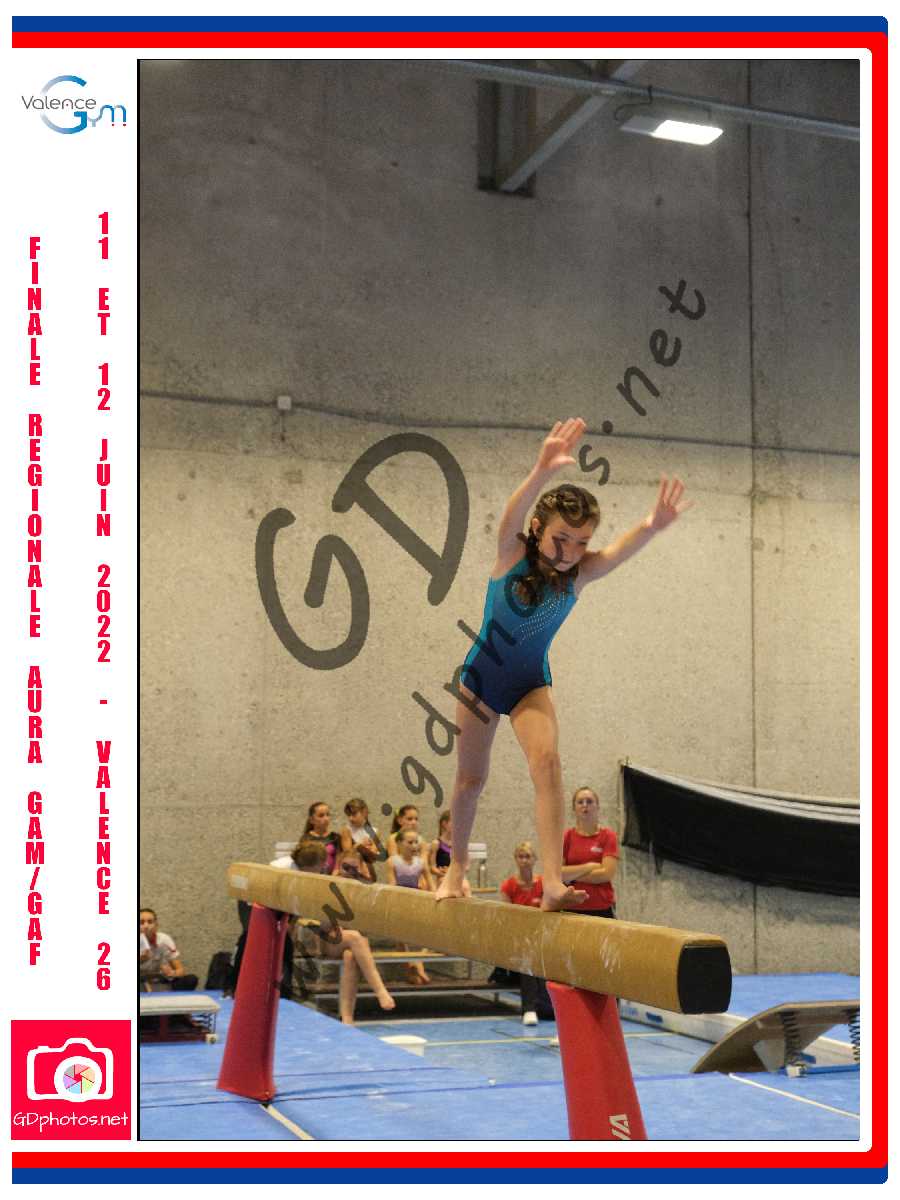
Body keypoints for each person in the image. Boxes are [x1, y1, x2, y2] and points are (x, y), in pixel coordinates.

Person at [435, 417, 690, 910]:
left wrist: (651, 526)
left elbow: (616, 553)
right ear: (538, 530)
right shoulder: (512, 554)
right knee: (470, 781)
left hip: (529, 683)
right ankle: (456, 868)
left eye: (581, 542)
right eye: (561, 539)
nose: (571, 552)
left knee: (548, 764)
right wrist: (541, 471)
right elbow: (512, 514)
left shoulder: (579, 575)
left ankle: (551, 882)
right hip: (481, 679)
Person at [277, 840, 396, 1024]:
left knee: (351, 956)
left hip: (353, 944)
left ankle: (347, 1017)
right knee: (355, 938)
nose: (350, 872)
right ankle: (380, 990)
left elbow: (367, 926)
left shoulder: (365, 889)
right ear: (338, 867)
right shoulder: (329, 885)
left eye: (354, 868)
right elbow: (322, 926)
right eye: (346, 867)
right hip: (326, 939)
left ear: (361, 868)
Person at [497, 842, 552, 1025]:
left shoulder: (543, 884)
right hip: (518, 939)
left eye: (528, 856)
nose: (524, 860)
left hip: (540, 937)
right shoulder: (509, 886)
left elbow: (548, 914)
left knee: (538, 956)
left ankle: (546, 1006)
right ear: (515, 859)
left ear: (535, 859)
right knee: (528, 957)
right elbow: (507, 918)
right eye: (520, 856)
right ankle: (529, 1009)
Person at [562, 786, 619, 918]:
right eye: (580, 802)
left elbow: (606, 874)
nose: (585, 805)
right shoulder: (566, 837)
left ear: (597, 806)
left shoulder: (608, 836)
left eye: (589, 801)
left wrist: (571, 876)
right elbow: (558, 873)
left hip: (601, 907)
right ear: (574, 808)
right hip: (571, 907)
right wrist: (589, 867)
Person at [387, 829, 434, 984]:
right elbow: (392, 886)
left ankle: (418, 963)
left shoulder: (421, 863)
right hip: (399, 902)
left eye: (416, 842)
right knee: (401, 937)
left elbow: (432, 886)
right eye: (410, 842)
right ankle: (410, 969)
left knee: (429, 934)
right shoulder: (393, 861)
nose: (414, 846)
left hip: (417, 902)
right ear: (399, 844)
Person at [139, 908, 198, 992]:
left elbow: (181, 970)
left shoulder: (164, 940)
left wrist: (171, 973)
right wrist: (140, 960)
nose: (146, 926)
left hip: (159, 980)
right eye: (141, 922)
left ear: (156, 925)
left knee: (191, 979)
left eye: (150, 922)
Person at [339, 798, 381, 882]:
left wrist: (364, 849)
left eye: (354, 814)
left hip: (368, 871)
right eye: (348, 815)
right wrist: (360, 845)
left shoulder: (375, 831)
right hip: (350, 871)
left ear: (364, 812)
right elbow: (347, 854)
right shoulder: (346, 830)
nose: (350, 818)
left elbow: (373, 858)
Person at [301, 802, 342, 874]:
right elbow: (303, 863)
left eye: (328, 815)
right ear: (311, 820)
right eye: (321, 816)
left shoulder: (335, 837)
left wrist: (335, 874)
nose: (326, 818)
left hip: (332, 876)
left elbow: (338, 861)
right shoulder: (306, 838)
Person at [427, 811, 453, 883]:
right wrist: (443, 873)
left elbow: (464, 866)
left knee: (465, 886)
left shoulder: (458, 845)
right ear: (444, 823)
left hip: (455, 876)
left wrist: (452, 871)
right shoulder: (436, 843)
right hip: (442, 877)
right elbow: (432, 868)